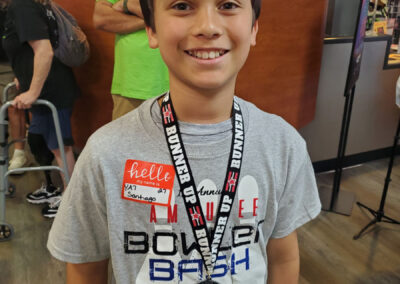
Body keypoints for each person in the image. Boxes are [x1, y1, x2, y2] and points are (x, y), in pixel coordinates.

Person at [48, 0, 321, 282]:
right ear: (152, 30)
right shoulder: (105, 154)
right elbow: (84, 269)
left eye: (228, 4)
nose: (208, 27)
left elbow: (283, 257)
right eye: (182, 5)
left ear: (253, 26)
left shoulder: (283, 145)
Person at [1, 0, 79, 217]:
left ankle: (71, 201)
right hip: (44, 89)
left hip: (51, 91)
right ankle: (56, 189)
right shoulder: (24, 6)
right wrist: (22, 76)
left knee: (60, 146)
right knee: (41, 141)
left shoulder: (22, 5)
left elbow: (44, 51)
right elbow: (25, 50)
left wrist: (33, 92)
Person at [93, 0, 169, 120]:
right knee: (125, 137)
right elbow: (101, 18)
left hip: (180, 83)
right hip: (132, 83)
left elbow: (187, 16)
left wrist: (127, 5)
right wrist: (155, 20)